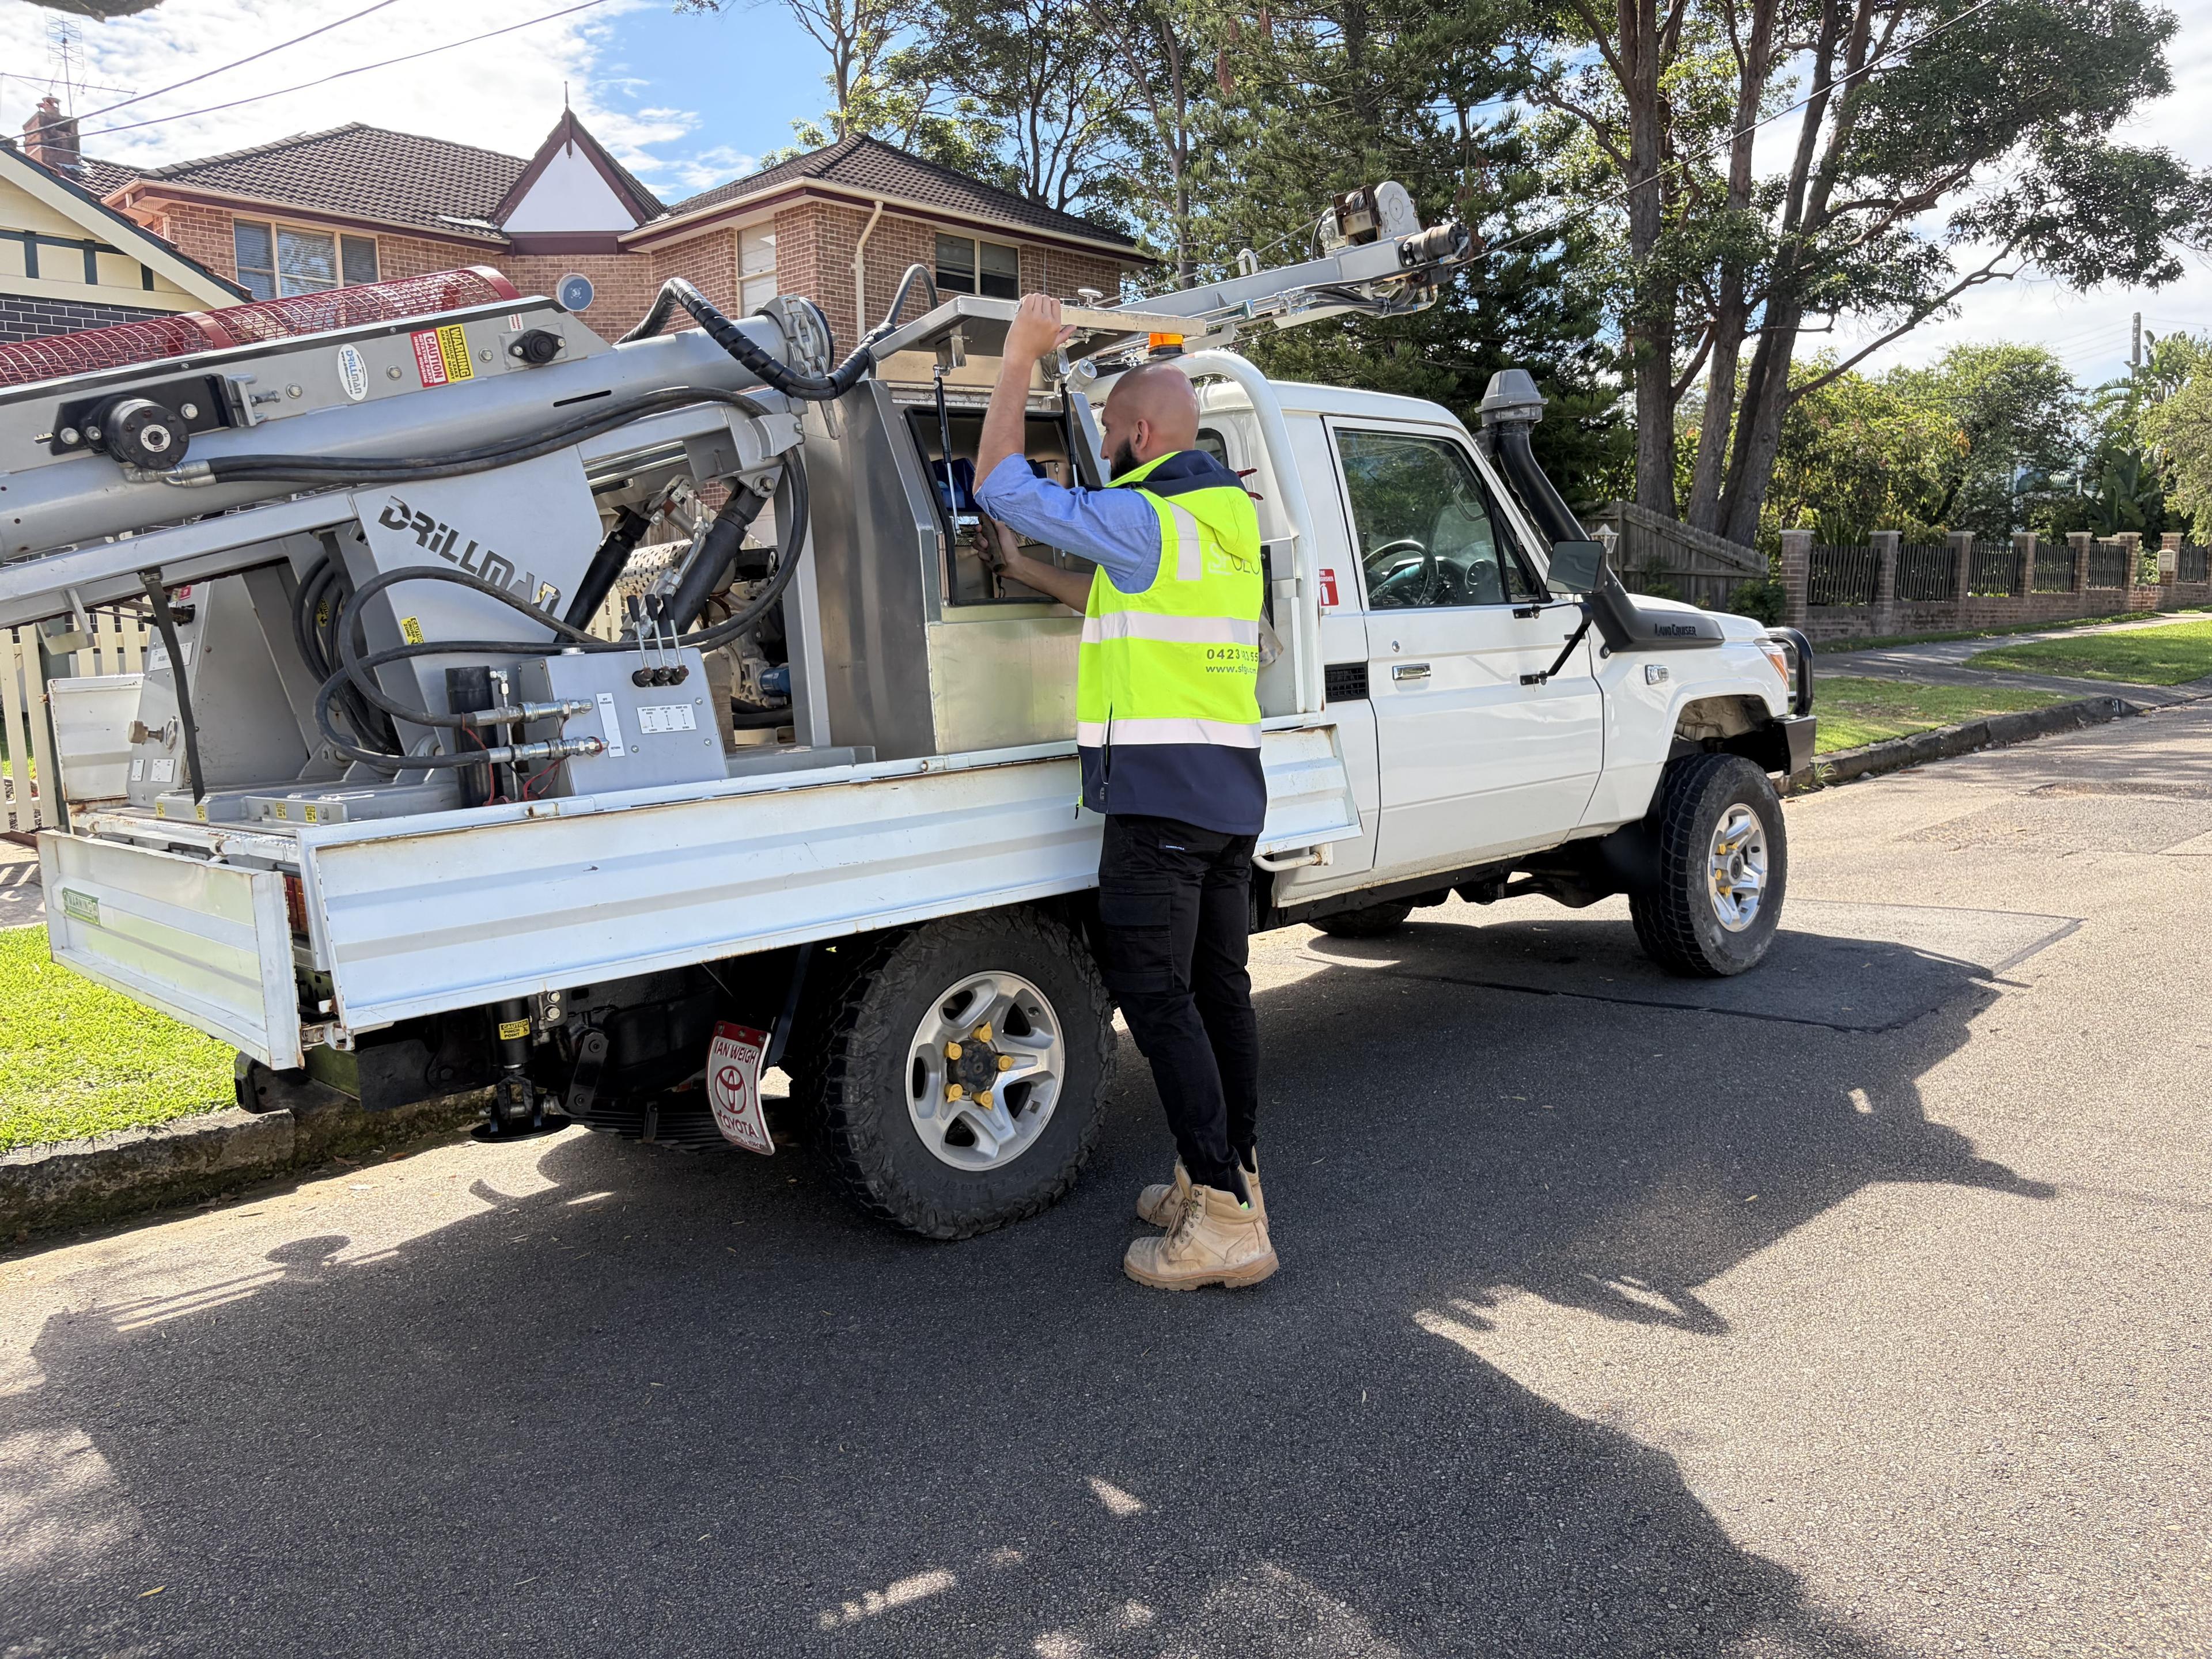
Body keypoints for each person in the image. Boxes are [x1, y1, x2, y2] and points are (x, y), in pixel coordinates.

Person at [969, 292, 1276, 1291]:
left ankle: (1226, 1227)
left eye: (1106, 429)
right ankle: (1226, 1175)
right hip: (1227, 798)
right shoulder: (1225, 520)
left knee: (1155, 995)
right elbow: (1122, 590)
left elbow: (1001, 484)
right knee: (1219, 993)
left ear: (1140, 433)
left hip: (1161, 806)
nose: (1101, 442)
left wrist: (1019, 356)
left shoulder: (1147, 516)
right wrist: (1029, 572)